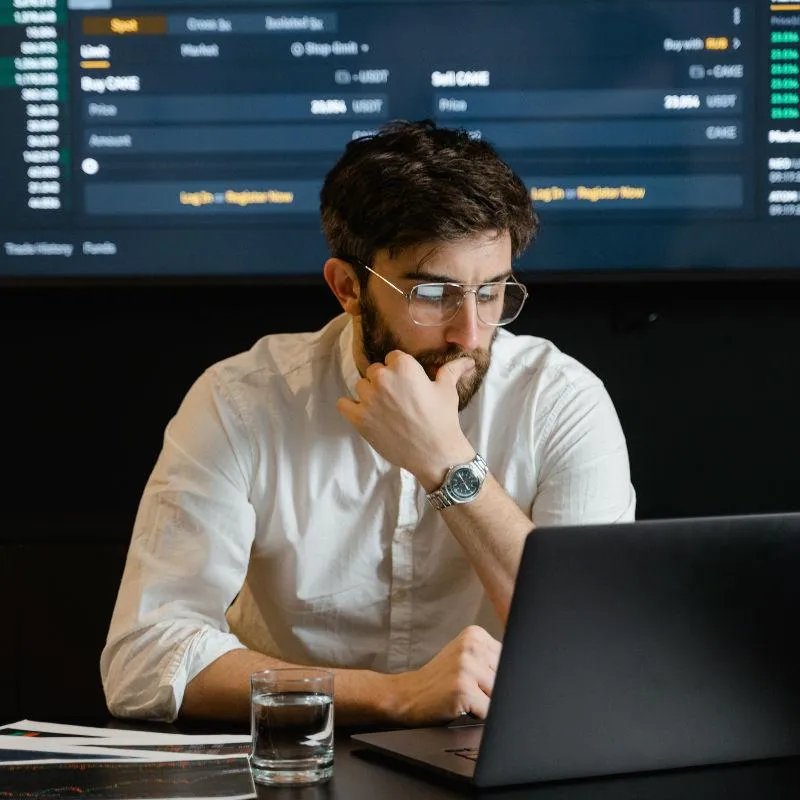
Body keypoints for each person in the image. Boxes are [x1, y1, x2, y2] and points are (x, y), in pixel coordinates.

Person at [101, 119, 635, 726]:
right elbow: (144, 660)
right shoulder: (240, 401)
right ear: (348, 288)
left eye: (491, 293)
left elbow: (598, 647)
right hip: (299, 760)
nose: (470, 333)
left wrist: (448, 466)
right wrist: (395, 696)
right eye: (433, 295)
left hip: (497, 758)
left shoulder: (562, 400)